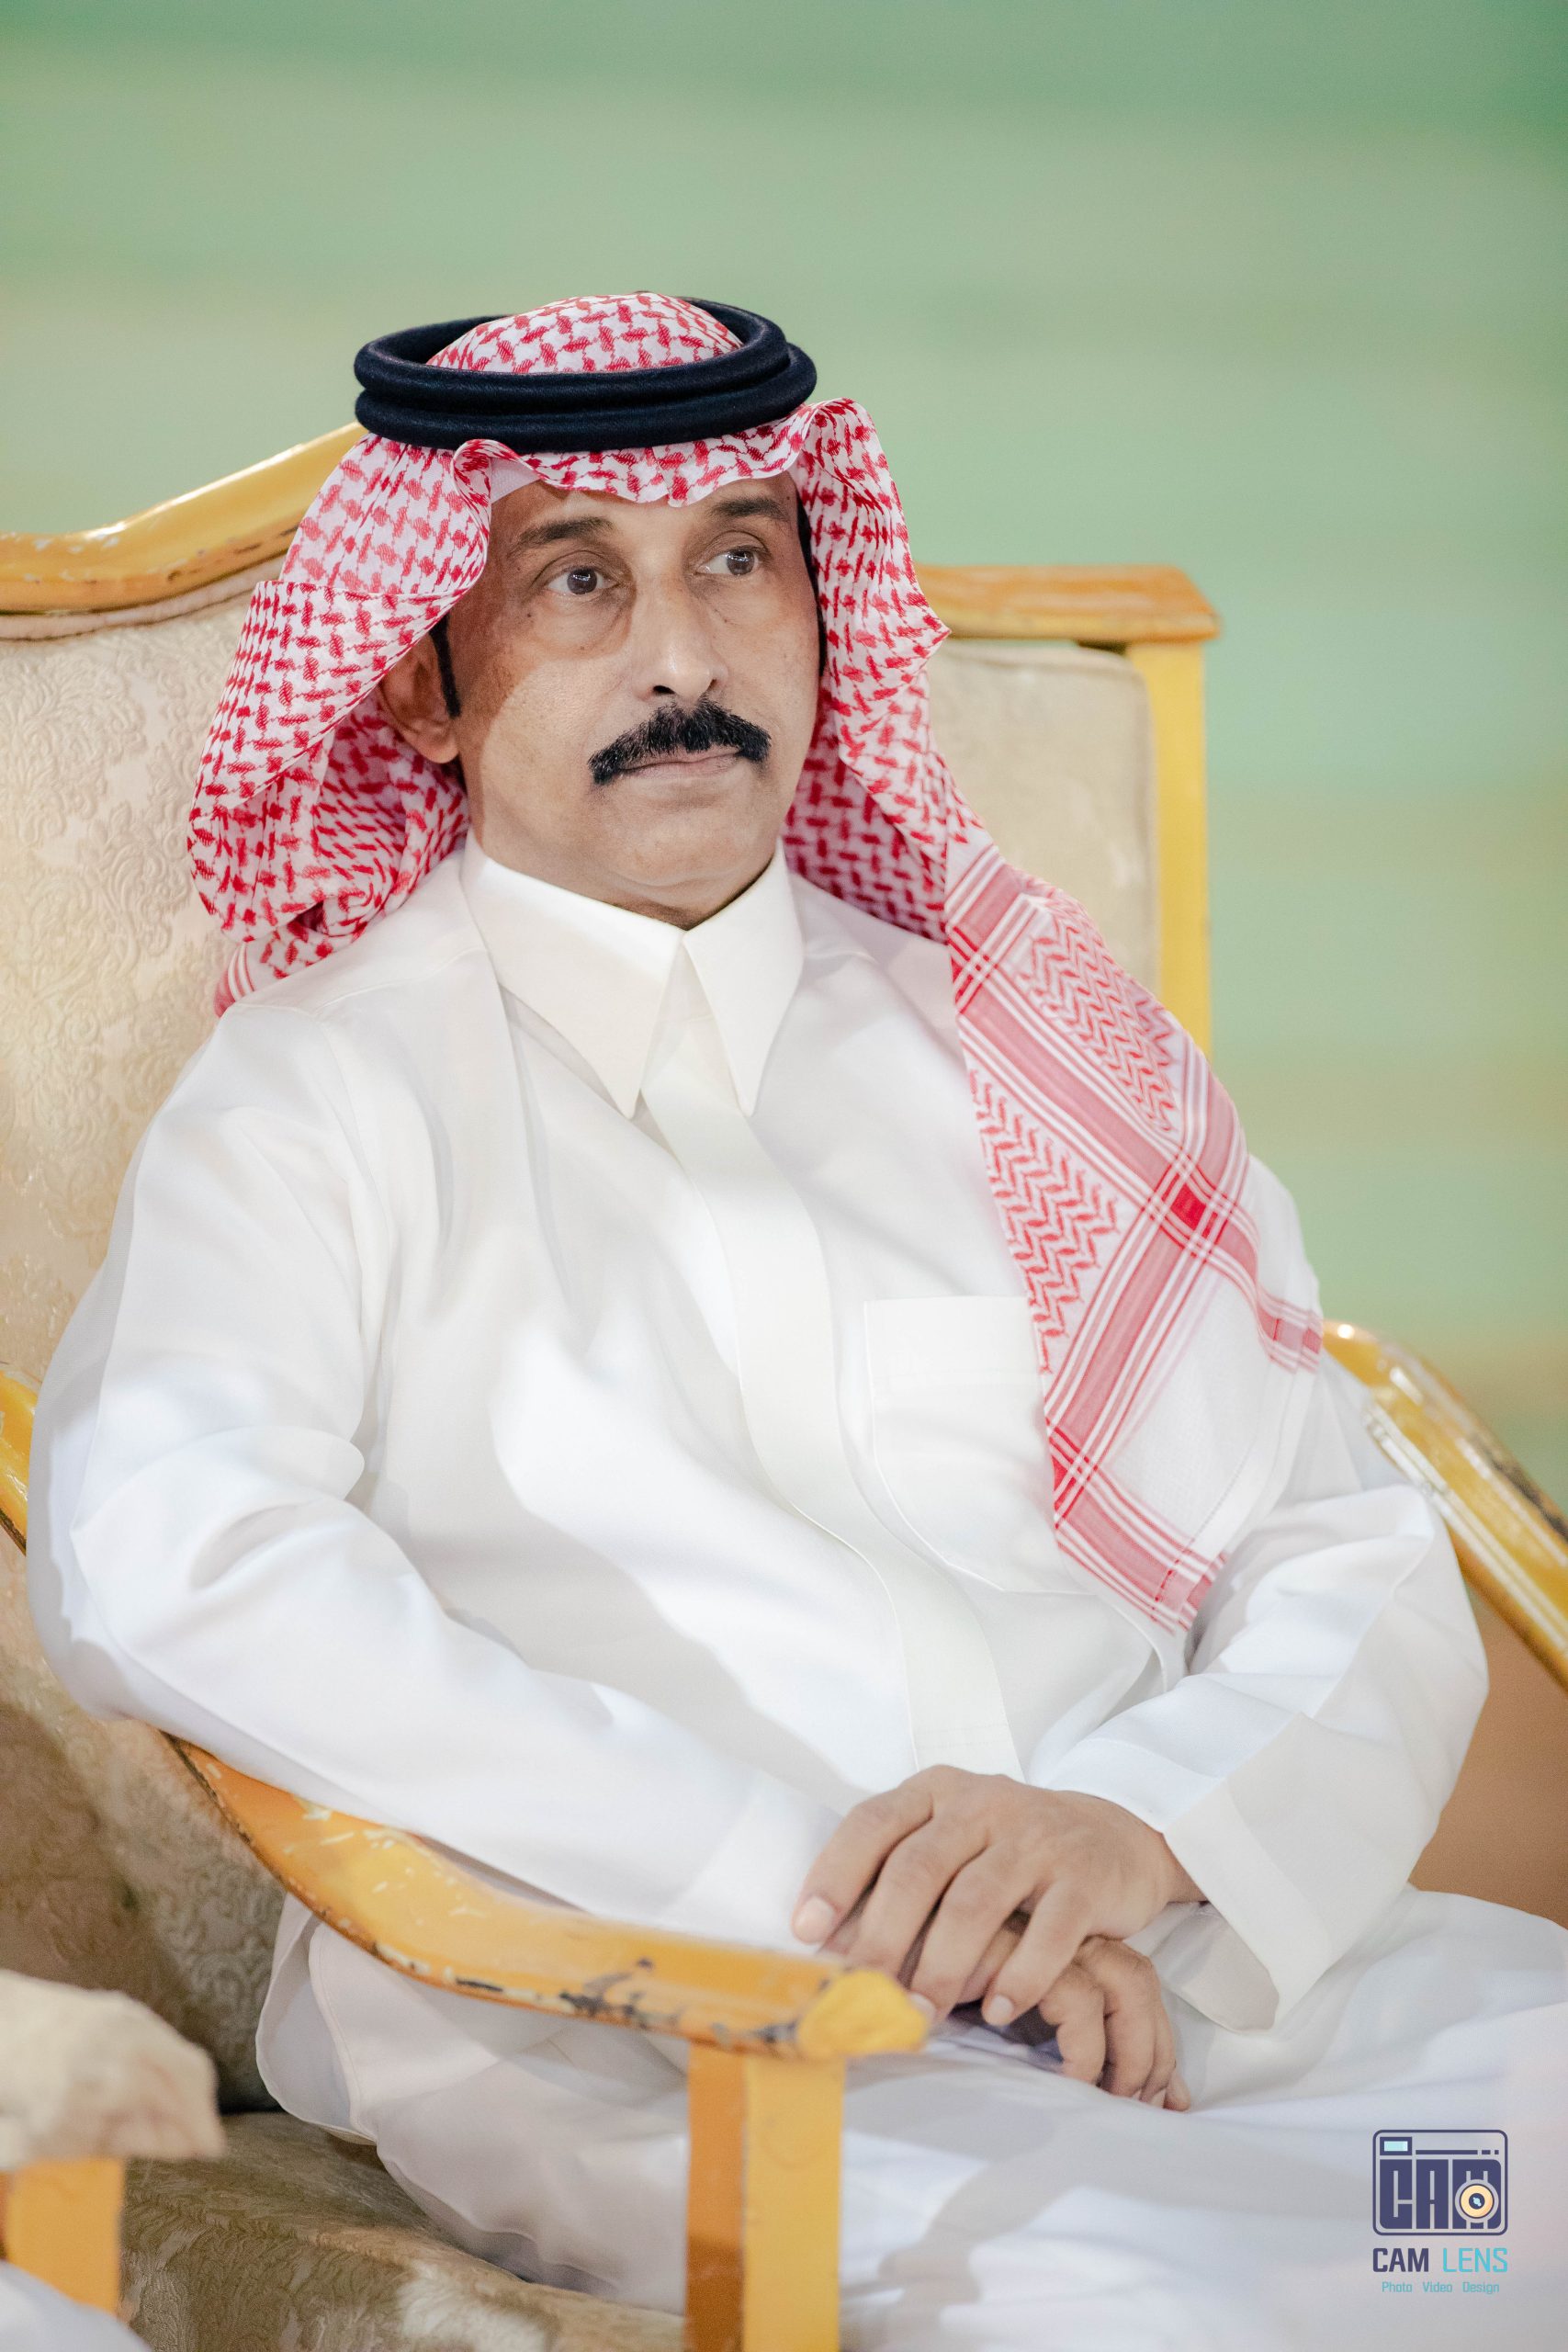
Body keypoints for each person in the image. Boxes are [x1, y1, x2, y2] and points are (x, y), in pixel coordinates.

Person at [27, 295, 1568, 2348]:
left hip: (1207, 1982)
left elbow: (1338, 1530)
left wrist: (1143, 1825)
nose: (682, 659)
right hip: (665, 2029)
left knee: (1492, 2229)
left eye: (738, 559)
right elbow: (181, 1556)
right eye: (578, 580)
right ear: (416, 678)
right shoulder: (321, 1092)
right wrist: (818, 1885)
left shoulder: (1029, 1047)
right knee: (1241, 2315)